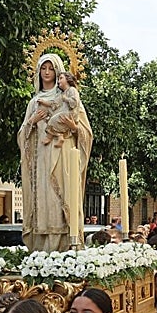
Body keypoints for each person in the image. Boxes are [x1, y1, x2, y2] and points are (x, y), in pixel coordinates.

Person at [17, 53, 94, 253]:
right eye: (44, 68)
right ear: (38, 71)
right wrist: (32, 122)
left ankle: (67, 245)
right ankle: (42, 249)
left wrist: (73, 128)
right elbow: (22, 135)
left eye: (51, 69)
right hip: (41, 158)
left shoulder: (70, 95)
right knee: (45, 198)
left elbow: (86, 132)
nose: (47, 73)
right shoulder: (34, 102)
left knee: (64, 198)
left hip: (64, 155)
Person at [42, 71, 83, 147]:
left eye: (61, 78)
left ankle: (49, 137)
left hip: (70, 114)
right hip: (63, 113)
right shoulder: (62, 94)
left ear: (68, 79)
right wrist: (44, 102)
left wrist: (66, 99)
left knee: (53, 119)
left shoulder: (72, 90)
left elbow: (74, 103)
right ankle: (60, 136)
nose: (58, 81)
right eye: (58, 79)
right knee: (50, 116)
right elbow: (54, 104)